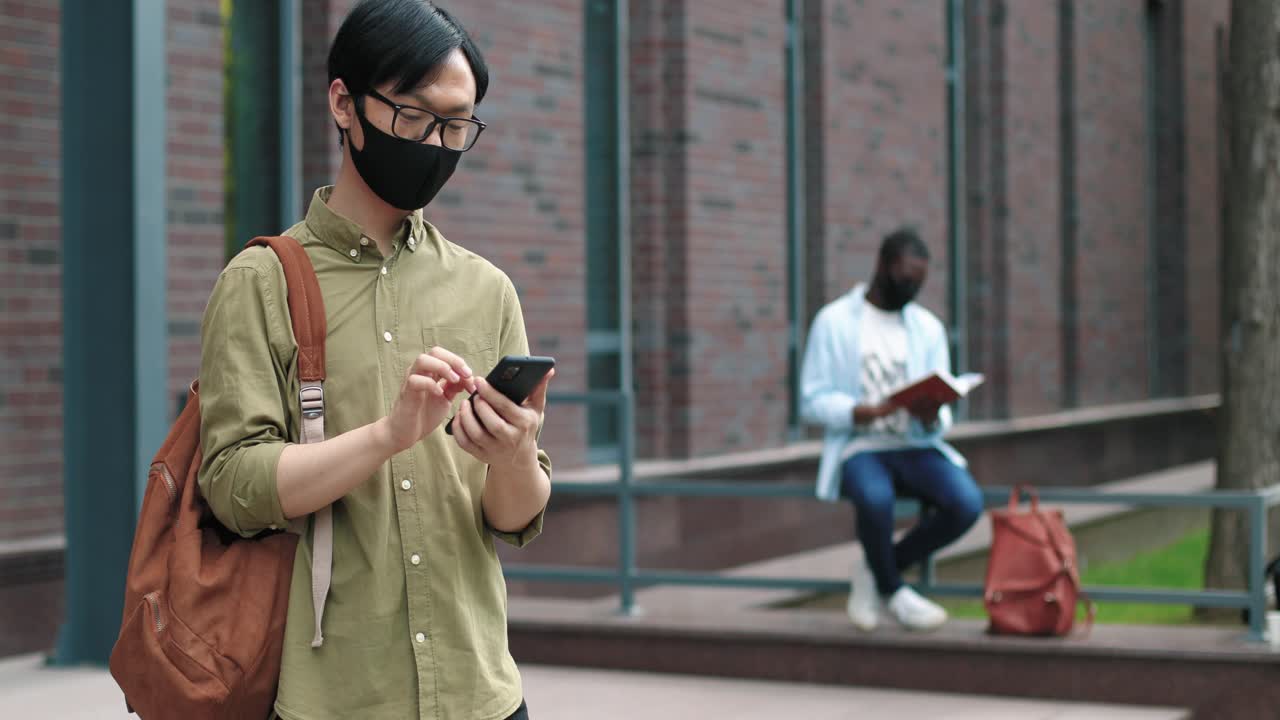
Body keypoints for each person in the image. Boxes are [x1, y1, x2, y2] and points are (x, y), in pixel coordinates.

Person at [197, 2, 550, 717]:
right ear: (344, 104)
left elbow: (516, 518)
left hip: (480, 691)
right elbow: (233, 485)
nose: (437, 144)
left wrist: (514, 456)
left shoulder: (486, 289)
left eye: (457, 126)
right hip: (337, 697)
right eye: (415, 117)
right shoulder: (260, 282)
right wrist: (390, 435)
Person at [800, 228, 982, 632]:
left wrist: (933, 414)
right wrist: (860, 411)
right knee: (875, 498)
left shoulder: (927, 328)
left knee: (966, 502)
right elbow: (810, 400)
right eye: (905, 278)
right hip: (859, 445)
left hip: (915, 443)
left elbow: (941, 404)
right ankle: (895, 590)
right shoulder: (834, 322)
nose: (912, 288)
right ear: (882, 266)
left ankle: (876, 569)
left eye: (919, 282)